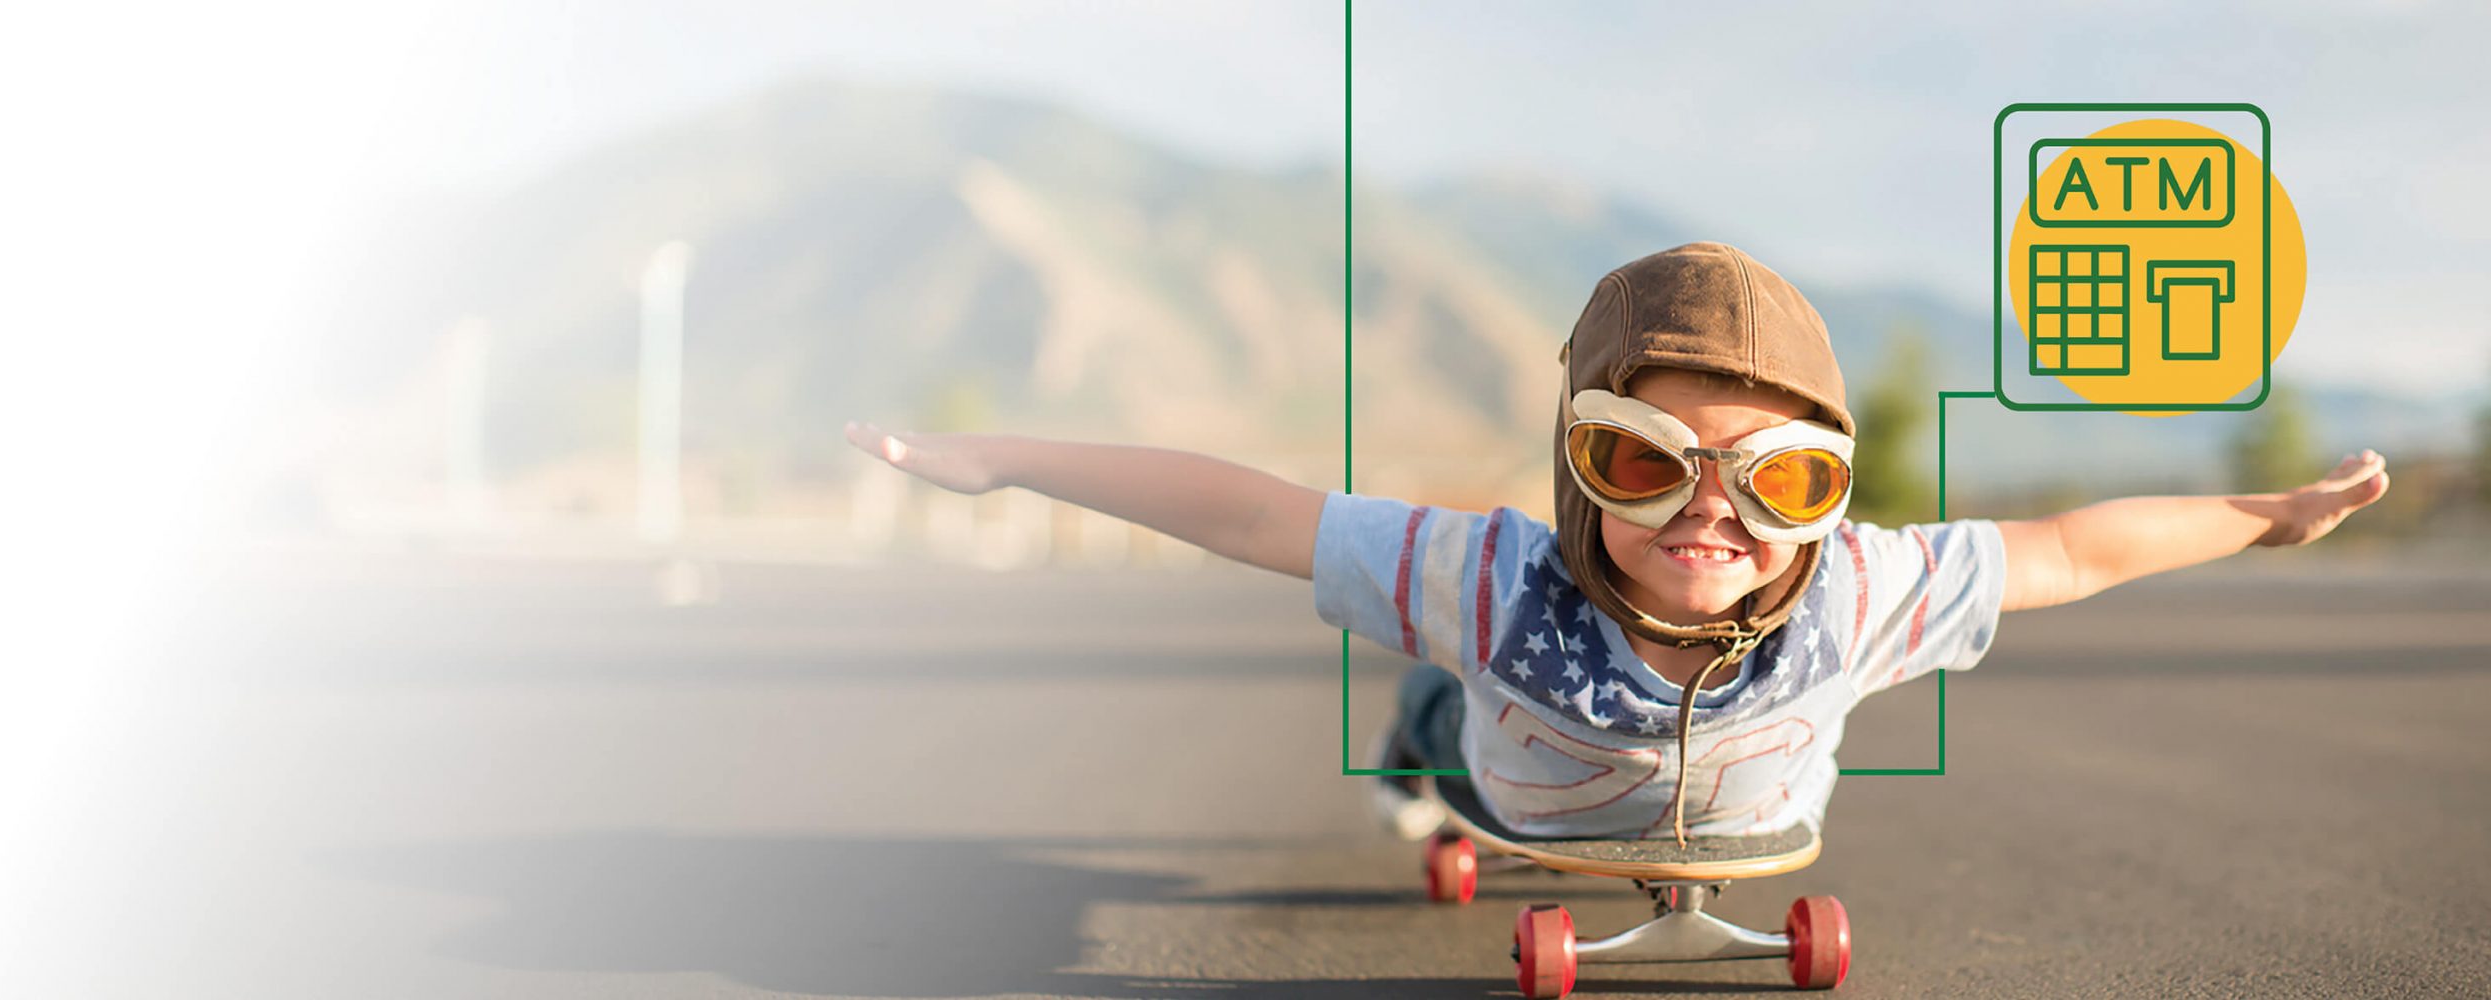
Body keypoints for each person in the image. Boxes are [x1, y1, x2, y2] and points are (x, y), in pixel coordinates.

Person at [842, 241, 2389, 844]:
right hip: (1503, 756)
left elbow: (2068, 550)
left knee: (1458, 658)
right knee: (1442, 683)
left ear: (1829, 496)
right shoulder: (1492, 578)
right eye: (1645, 462)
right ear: (1582, 472)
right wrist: (1006, 463)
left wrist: (2267, 516)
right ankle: (1415, 740)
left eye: (1779, 481)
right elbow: (1249, 508)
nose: (1709, 512)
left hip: (1688, 798)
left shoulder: (1857, 591)